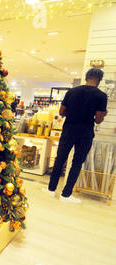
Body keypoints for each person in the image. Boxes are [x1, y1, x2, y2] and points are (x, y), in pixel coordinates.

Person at [45, 68, 107, 203]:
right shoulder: (101, 96)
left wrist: (73, 114)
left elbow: (61, 112)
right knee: (77, 163)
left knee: (60, 159)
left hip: (69, 129)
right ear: (99, 80)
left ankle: (51, 189)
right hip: (85, 132)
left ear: (86, 77)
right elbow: (98, 120)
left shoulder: (72, 91)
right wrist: (103, 114)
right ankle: (65, 195)